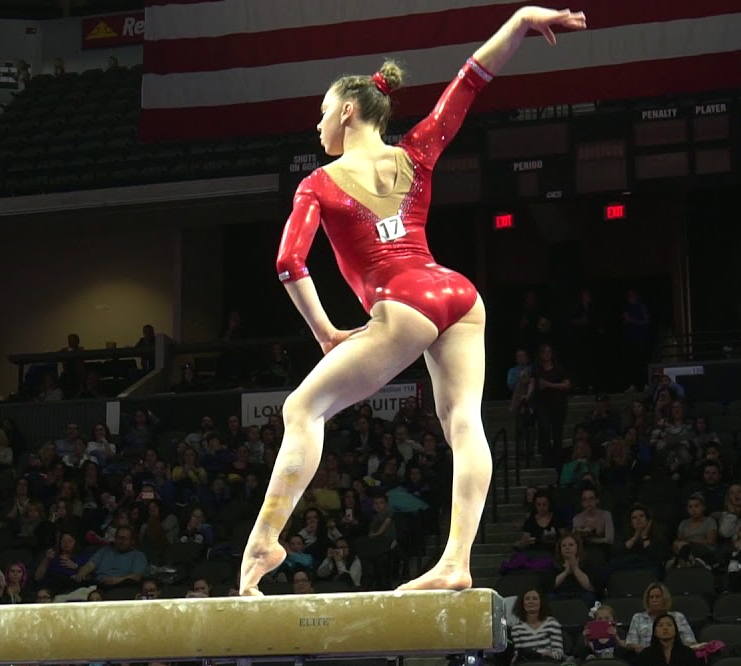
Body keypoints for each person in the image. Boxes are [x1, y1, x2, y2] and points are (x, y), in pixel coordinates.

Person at [237, 5, 588, 595]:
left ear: (348, 110)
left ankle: (266, 539)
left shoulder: (317, 184)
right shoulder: (417, 152)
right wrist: (523, 19)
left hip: (403, 303)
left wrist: (325, 332)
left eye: (321, 113)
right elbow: (471, 78)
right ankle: (456, 561)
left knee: (302, 411)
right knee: (463, 423)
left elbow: (288, 263)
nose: (316, 125)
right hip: (456, 293)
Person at [635, 613, 704, 666]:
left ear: (675, 630)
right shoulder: (645, 654)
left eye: (669, 625)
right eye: (660, 625)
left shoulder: (688, 653)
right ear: (655, 632)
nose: (665, 628)